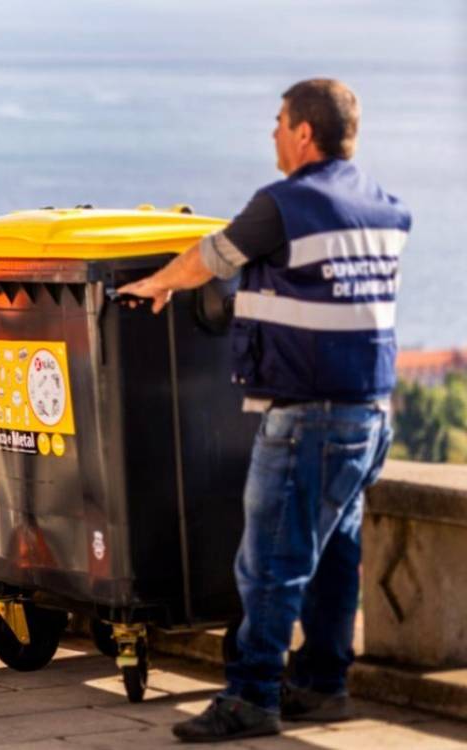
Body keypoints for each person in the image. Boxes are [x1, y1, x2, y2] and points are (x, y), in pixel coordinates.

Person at [119, 79, 409, 742]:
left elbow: (211, 257)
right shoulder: (383, 206)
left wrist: (156, 284)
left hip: (309, 415)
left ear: (304, 132)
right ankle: (324, 685)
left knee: (270, 562)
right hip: (370, 413)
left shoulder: (285, 204)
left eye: (279, 121)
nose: (273, 133)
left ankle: (251, 697)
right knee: (333, 558)